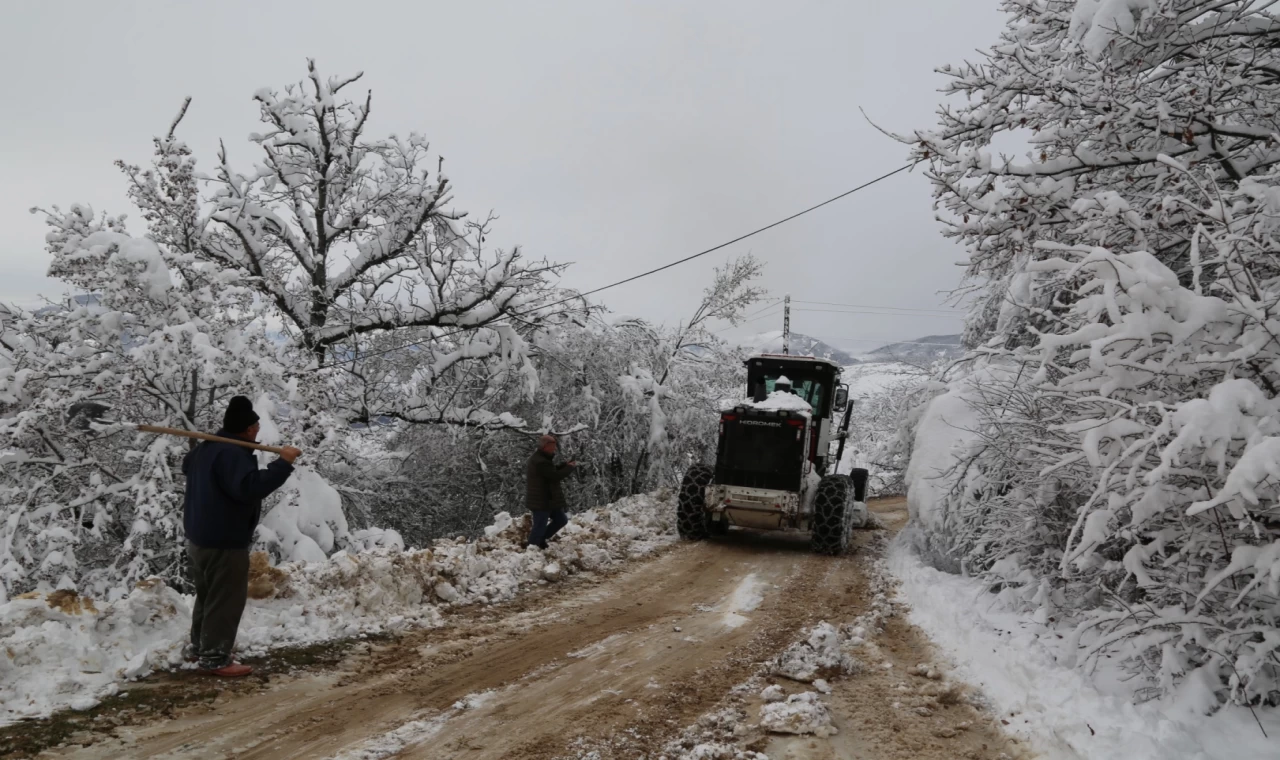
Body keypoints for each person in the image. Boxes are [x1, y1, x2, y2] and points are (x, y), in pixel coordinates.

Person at [182, 396, 301, 677]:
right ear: (248, 430)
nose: (259, 429)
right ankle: (215, 657)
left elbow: (187, 466)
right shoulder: (231, 453)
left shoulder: (206, 448)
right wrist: (282, 464)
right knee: (225, 599)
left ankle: (201, 648)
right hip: (224, 539)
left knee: (208, 596)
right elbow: (249, 488)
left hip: (199, 538)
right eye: (256, 426)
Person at [525, 434, 577, 550]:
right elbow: (554, 476)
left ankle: (540, 540)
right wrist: (569, 468)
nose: (554, 449)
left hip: (549, 499)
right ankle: (531, 549)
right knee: (539, 526)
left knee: (561, 520)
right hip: (542, 500)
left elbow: (550, 472)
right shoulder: (540, 461)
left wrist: (565, 465)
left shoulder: (543, 459)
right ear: (545, 446)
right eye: (552, 446)